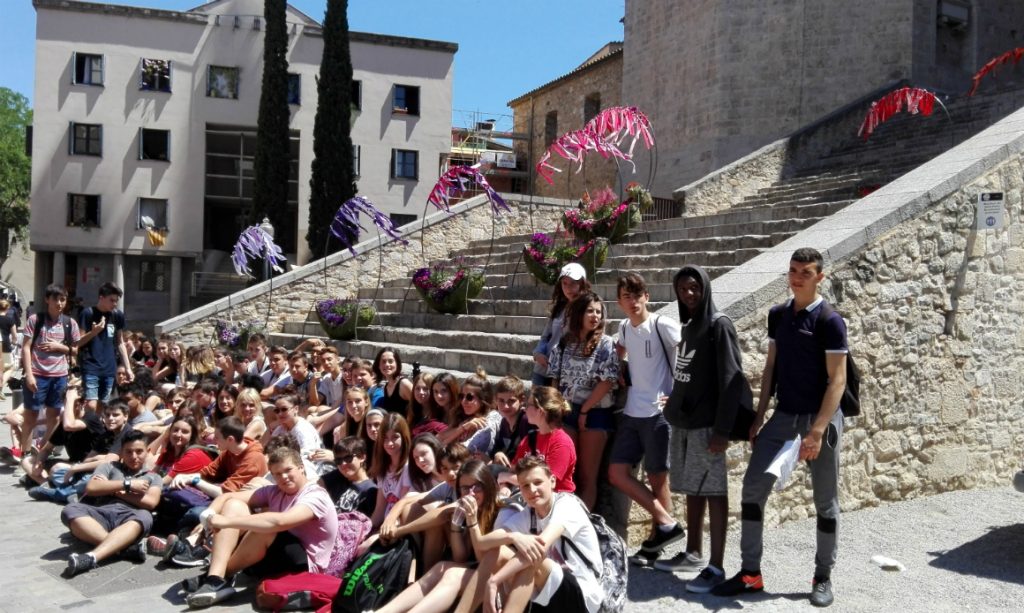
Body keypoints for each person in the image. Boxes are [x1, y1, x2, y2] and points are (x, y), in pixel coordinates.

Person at [713, 248, 848, 608]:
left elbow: (837, 381)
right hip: (784, 416)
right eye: (793, 270)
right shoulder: (778, 316)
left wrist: (817, 431)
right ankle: (750, 574)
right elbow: (771, 367)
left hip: (820, 419)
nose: (797, 277)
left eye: (806, 272)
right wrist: (760, 416)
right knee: (752, 488)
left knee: (825, 501)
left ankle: (822, 576)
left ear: (820, 277)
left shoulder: (830, 321)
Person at [654, 264, 751, 590]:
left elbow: (732, 379)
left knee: (714, 491)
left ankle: (716, 567)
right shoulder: (690, 324)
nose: (689, 294)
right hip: (685, 422)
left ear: (705, 287)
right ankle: (693, 552)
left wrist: (722, 431)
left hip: (708, 426)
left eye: (694, 287)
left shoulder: (718, 325)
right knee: (693, 489)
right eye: (683, 289)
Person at [182, 443, 339, 609]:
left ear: (301, 468)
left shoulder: (315, 495)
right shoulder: (275, 491)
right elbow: (227, 497)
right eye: (277, 474)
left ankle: (218, 576)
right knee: (235, 505)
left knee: (266, 527)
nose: (284, 477)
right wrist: (207, 517)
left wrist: (224, 522)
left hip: (304, 565)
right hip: (276, 555)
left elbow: (281, 521)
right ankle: (216, 577)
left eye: (288, 470)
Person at [610, 273, 684, 567]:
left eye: (637, 294)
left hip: (658, 413)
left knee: (657, 478)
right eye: (626, 296)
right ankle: (668, 523)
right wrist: (618, 367)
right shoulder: (623, 328)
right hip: (632, 411)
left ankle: (655, 546)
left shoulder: (662, 324)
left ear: (647, 297)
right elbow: (619, 350)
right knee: (616, 472)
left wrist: (677, 395)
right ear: (620, 302)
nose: (633, 301)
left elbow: (687, 356)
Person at [375, 459, 501, 613]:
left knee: (452, 574)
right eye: (465, 488)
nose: (471, 493)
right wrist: (456, 523)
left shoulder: (501, 511)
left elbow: (485, 559)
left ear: (488, 484)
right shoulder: (467, 505)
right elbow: (460, 558)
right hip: (474, 570)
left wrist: (472, 522)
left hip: (498, 580)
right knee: (440, 567)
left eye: (477, 486)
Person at [483, 455, 604, 613]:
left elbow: (540, 546)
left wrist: (494, 580)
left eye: (538, 482)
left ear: (552, 481)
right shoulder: (529, 513)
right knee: (498, 553)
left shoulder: (567, 505)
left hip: (583, 594)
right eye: (525, 486)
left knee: (533, 559)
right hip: (550, 591)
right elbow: (483, 543)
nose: (532, 490)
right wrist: (512, 536)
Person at [547, 291, 619, 510]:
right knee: (566, 471)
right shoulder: (564, 343)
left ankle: (585, 522)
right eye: (590, 311)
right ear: (579, 313)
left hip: (595, 413)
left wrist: (585, 410)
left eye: (598, 312)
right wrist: (556, 409)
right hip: (567, 411)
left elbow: (607, 381)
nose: (595, 316)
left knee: (588, 475)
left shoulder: (606, 344)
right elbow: (555, 378)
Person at [59, 430, 163, 577]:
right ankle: (123, 549)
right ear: (121, 452)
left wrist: (112, 490)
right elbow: (92, 488)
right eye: (128, 452)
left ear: (148, 451)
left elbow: (151, 502)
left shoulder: (154, 477)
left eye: (139, 451)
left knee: (145, 516)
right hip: (101, 513)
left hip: (131, 516)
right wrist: (128, 485)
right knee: (70, 510)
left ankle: (91, 557)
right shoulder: (109, 467)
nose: (134, 456)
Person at [21, 284, 81, 462]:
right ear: (47, 300)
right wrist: (29, 375)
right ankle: (25, 455)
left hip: (59, 376)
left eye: (63, 299)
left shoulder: (70, 323)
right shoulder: (35, 320)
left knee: (54, 417)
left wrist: (59, 347)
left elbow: (75, 351)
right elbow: (26, 347)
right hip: (37, 375)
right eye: (56, 299)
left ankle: (41, 454)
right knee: (30, 416)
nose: (59, 303)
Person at [77, 282, 133, 412]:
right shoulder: (87, 313)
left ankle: (99, 424)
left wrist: (128, 368)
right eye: (111, 300)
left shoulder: (117, 315)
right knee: (91, 404)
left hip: (109, 368)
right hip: (91, 366)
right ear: (101, 298)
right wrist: (94, 332)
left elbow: (120, 342)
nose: (114, 304)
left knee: (105, 405)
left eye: (116, 301)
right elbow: (78, 342)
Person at [531, 263, 590, 386]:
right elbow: (546, 337)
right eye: (565, 283)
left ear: (582, 283)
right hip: (543, 368)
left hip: (567, 372)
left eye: (573, 283)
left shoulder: (590, 310)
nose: (568, 288)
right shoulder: (559, 308)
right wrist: (538, 353)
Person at [510, 386, 576, 493]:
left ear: (540, 411)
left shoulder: (562, 444)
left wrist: (507, 478)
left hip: (555, 498)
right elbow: (514, 469)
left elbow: (548, 483)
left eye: (528, 405)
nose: (524, 408)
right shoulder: (530, 437)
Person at [372, 347, 413, 414]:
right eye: (383, 361)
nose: (387, 364)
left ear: (397, 364)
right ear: (379, 366)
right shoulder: (386, 387)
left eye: (390, 361)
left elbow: (417, 405)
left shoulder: (404, 384)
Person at [0, 299, 18, 398]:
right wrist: (14, 343)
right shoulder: (10, 320)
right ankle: (0, 386)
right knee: (10, 367)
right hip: (5, 345)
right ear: (7, 308)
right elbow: (14, 336)